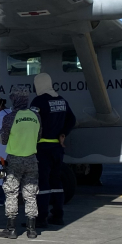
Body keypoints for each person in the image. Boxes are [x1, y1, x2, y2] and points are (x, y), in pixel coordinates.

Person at [29, 73, 76, 226]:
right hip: (57, 147)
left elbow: (32, 121)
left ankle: (41, 218)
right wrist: (63, 133)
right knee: (56, 182)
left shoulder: (39, 101)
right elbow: (72, 119)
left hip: (42, 148)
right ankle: (57, 215)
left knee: (42, 183)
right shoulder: (61, 100)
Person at [0, 87, 42, 239]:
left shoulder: (10, 117)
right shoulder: (36, 116)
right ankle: (32, 230)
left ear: (14, 99)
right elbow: (38, 137)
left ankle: (11, 229)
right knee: (30, 194)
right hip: (31, 159)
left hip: (15, 159)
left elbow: (3, 140)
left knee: (11, 193)